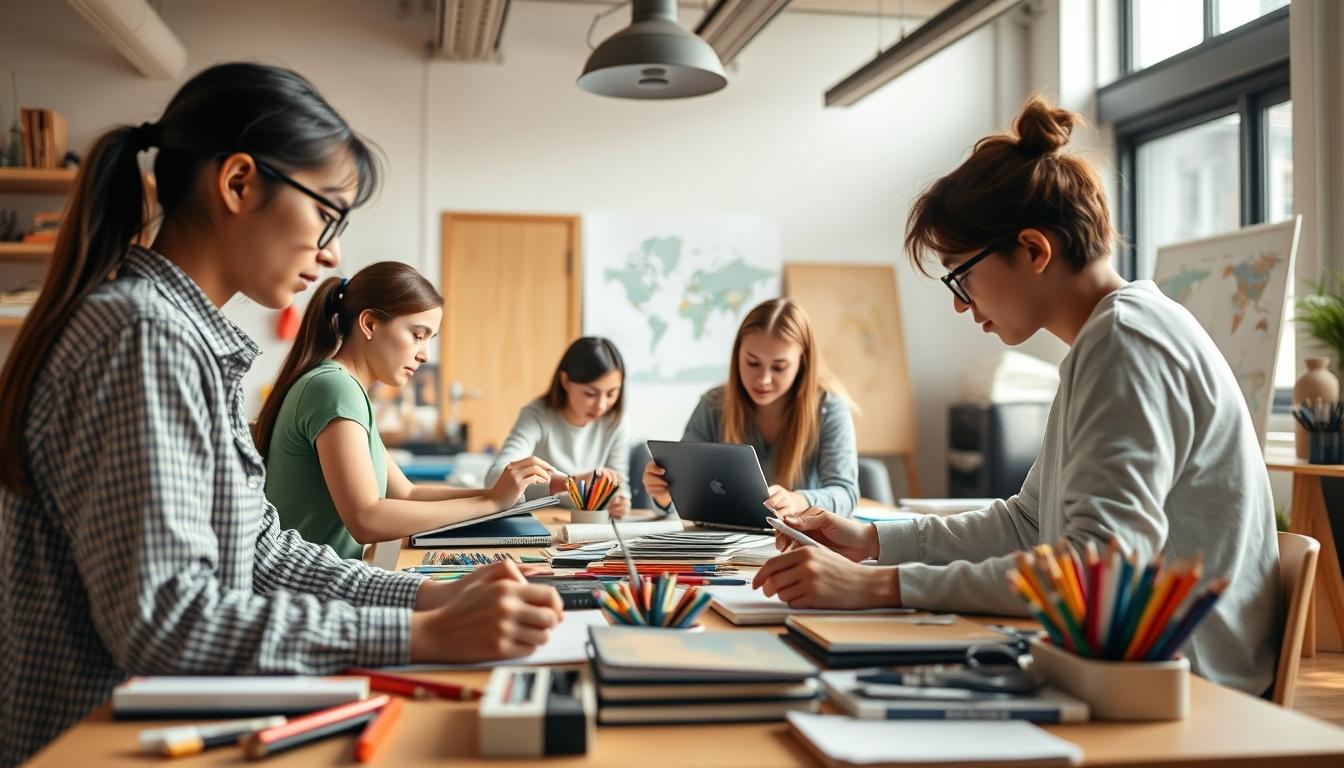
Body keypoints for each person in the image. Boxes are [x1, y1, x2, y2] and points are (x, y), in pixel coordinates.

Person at [0, 63, 560, 764]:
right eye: (326, 214)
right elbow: (168, 621)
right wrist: (423, 636)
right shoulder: (143, 336)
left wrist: (424, 600)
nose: (332, 252)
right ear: (238, 184)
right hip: (99, 745)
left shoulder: (187, 340)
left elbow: (263, 551)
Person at [752, 95, 1280, 695]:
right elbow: (1030, 522)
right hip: (1121, 670)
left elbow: (1093, 574)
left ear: (1033, 249)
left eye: (961, 274)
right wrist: (872, 541)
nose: (959, 301)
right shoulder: (1107, 337)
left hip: (1183, 691)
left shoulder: (1126, 341)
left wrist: (877, 584)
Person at [255, 261, 557, 558]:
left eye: (429, 338)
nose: (425, 355)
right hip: (313, 590)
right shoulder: (334, 389)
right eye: (417, 335)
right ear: (370, 324)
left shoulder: (345, 388)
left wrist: (496, 495)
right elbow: (366, 519)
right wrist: (490, 505)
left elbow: (406, 493)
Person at [643, 298, 859, 518]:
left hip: (801, 544)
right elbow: (684, 496)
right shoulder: (713, 405)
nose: (763, 379)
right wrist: (665, 495)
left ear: (802, 363)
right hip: (725, 544)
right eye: (752, 363)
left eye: (779, 367)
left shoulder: (829, 408)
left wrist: (800, 500)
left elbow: (846, 494)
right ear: (737, 354)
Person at [485, 337, 632, 517]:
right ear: (565, 381)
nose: (601, 405)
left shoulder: (615, 420)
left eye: (611, 394)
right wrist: (569, 483)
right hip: (541, 520)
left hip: (586, 527)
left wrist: (620, 501)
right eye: (590, 393)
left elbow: (621, 485)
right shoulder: (537, 415)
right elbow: (495, 480)